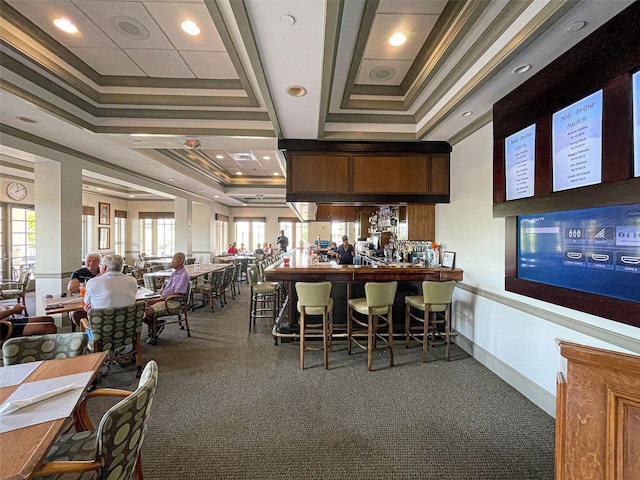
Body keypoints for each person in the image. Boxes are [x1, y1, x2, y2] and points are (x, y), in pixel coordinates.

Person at [81, 254, 138, 342]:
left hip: (102, 331)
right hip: (127, 328)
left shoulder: (93, 282)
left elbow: (86, 301)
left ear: (103, 267)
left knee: (85, 320)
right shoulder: (132, 280)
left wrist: (94, 304)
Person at [144, 252, 190, 319]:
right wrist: (161, 292)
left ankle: (152, 325)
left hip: (172, 301)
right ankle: (153, 325)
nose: (171, 263)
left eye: (173, 261)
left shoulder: (183, 276)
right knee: (141, 306)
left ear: (181, 262)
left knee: (147, 310)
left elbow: (177, 293)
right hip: (164, 297)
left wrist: (159, 300)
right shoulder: (174, 273)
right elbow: (168, 286)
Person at [68, 252, 101, 332]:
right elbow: (71, 288)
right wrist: (93, 281)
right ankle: (87, 332)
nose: (91, 263)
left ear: (100, 262)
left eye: (95, 261)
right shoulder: (78, 273)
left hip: (98, 301)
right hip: (82, 303)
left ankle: (98, 331)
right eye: (88, 261)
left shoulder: (103, 272)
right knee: (77, 314)